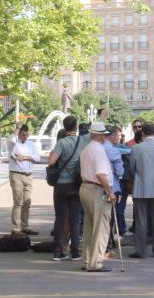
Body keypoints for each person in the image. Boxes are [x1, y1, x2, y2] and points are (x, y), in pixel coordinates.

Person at [47, 115, 89, 261]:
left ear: (64, 127)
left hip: (61, 185)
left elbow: (51, 161)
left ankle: (58, 252)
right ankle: (75, 251)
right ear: (76, 127)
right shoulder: (82, 141)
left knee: (60, 219)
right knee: (75, 219)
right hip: (76, 185)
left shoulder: (62, 142)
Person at [128, 122, 154, 258]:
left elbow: (131, 169)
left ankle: (141, 250)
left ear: (143, 133)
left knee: (141, 220)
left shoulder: (136, 148)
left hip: (141, 187)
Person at [79, 122, 115, 272]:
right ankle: (95, 262)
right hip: (97, 189)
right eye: (105, 134)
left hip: (86, 187)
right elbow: (101, 174)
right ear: (100, 136)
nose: (106, 137)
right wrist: (109, 191)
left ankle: (87, 260)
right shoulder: (98, 150)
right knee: (101, 228)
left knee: (90, 226)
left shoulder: (87, 149)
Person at [8, 124, 39, 235]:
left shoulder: (31, 144)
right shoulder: (13, 143)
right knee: (18, 202)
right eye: (22, 135)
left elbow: (37, 157)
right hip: (16, 174)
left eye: (26, 135)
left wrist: (25, 157)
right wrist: (16, 128)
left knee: (27, 202)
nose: (24, 137)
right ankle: (16, 228)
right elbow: (12, 140)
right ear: (19, 134)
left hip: (28, 175)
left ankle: (25, 226)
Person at [103, 125, 126, 239]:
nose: (119, 137)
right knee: (111, 216)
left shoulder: (95, 147)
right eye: (117, 135)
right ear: (111, 135)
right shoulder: (113, 150)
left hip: (96, 186)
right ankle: (108, 242)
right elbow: (120, 171)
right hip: (112, 186)